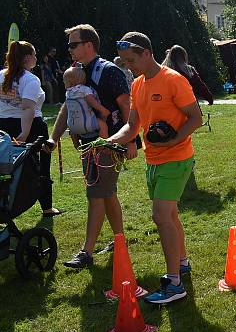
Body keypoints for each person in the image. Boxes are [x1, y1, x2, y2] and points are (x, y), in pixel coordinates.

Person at [109, 31, 203, 304]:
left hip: (177, 158)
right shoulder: (137, 85)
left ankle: (174, 283)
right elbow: (132, 125)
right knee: (171, 215)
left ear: (147, 54)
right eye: (125, 61)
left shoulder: (174, 80)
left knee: (161, 217)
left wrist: (173, 139)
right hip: (154, 160)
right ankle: (182, 262)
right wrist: (109, 140)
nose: (128, 65)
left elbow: (195, 118)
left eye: (131, 60)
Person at [46, 24, 137, 267]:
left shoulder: (109, 71)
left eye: (72, 45)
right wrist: (53, 138)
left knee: (96, 194)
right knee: (106, 194)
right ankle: (120, 241)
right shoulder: (75, 72)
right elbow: (67, 107)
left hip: (108, 143)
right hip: (88, 145)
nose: (69, 50)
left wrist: (131, 141)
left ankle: (86, 252)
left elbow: (127, 107)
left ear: (89, 45)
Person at [0, 41, 61, 216]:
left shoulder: (1, 76)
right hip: (30, 127)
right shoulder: (30, 79)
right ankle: (47, 207)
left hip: (4, 127)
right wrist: (25, 133)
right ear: (27, 58)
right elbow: (28, 107)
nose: (36, 58)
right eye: (34, 55)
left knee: (5, 167)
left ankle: (5, 204)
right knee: (42, 166)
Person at [63, 64, 110, 145]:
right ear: (83, 79)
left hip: (72, 125)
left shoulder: (68, 93)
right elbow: (92, 102)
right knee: (102, 124)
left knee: (73, 129)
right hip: (87, 123)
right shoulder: (84, 89)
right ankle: (105, 143)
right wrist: (103, 110)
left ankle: (76, 142)